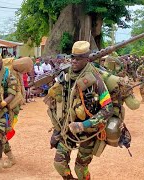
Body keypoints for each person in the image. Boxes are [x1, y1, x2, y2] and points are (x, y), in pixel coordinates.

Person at [46, 41, 113, 179]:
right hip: (67, 130)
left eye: (78, 58)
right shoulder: (66, 76)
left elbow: (108, 108)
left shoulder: (95, 79)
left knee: (80, 169)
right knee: (59, 164)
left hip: (88, 133)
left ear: (87, 59)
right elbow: (60, 106)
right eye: (73, 57)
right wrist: (56, 131)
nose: (74, 61)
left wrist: (84, 125)